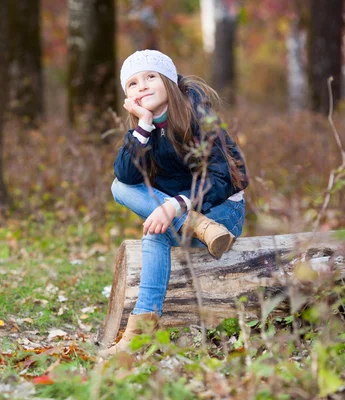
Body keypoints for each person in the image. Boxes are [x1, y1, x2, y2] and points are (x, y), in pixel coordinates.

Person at [99, 50, 248, 357]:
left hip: (223, 214)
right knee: (120, 188)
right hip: (191, 220)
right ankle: (140, 335)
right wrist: (143, 125)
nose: (142, 86)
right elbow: (126, 175)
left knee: (155, 231)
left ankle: (139, 336)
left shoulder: (199, 117)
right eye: (133, 84)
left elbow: (224, 176)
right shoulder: (146, 128)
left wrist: (175, 205)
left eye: (151, 77)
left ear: (168, 81)